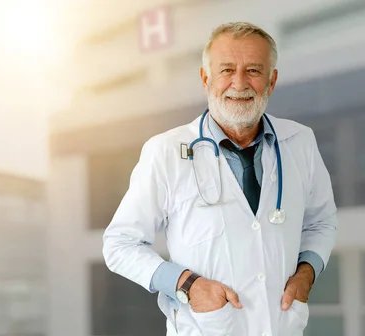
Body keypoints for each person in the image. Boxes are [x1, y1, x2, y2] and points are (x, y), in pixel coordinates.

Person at [102, 22, 337, 336]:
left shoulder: (300, 142)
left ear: (272, 80)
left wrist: (306, 273)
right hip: (208, 327)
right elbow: (119, 244)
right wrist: (187, 285)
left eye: (254, 70)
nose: (239, 83)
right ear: (205, 78)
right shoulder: (166, 151)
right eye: (226, 70)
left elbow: (321, 222)